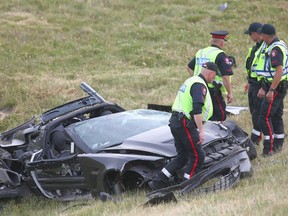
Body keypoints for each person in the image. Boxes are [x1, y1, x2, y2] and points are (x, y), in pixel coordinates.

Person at [148, 62, 219, 191]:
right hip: (185, 123)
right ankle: (187, 185)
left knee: (182, 156)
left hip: (176, 121)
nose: (214, 79)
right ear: (211, 73)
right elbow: (197, 109)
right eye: (214, 76)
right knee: (198, 156)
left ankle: (158, 181)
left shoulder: (191, 80)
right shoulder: (199, 85)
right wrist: (201, 131)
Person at [255, 24, 288, 156]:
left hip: (275, 88)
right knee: (276, 115)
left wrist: (271, 90)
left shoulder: (275, 49)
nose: (261, 38)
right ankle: (278, 144)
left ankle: (268, 149)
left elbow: (278, 70)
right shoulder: (277, 45)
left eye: (262, 35)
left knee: (264, 117)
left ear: (267, 36)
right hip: (275, 86)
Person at [187, 30, 233, 121]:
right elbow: (225, 76)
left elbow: (189, 67)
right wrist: (229, 93)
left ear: (212, 40)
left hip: (198, 88)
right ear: (222, 42)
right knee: (220, 115)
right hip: (212, 90)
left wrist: (196, 79)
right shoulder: (220, 55)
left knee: (202, 112)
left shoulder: (201, 52)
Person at [244, 22, 266, 145]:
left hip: (260, 85)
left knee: (259, 112)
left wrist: (263, 87)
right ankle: (257, 135)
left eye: (250, 34)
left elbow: (266, 70)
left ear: (256, 34)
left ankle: (256, 138)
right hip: (253, 83)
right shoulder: (256, 48)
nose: (250, 37)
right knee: (254, 111)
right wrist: (248, 81)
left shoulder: (265, 48)